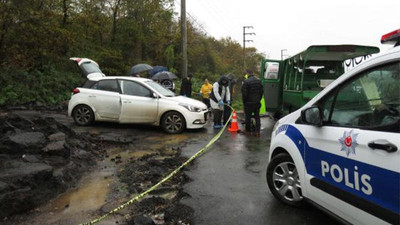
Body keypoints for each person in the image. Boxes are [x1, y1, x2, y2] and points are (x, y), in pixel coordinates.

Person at [241, 70, 263, 136]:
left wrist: (244, 101)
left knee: (248, 116)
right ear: (253, 74)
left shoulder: (246, 82)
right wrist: (259, 99)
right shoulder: (259, 81)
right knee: (257, 116)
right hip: (257, 102)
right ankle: (257, 131)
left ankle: (248, 130)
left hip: (248, 103)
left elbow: (244, 93)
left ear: (248, 74)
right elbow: (262, 92)